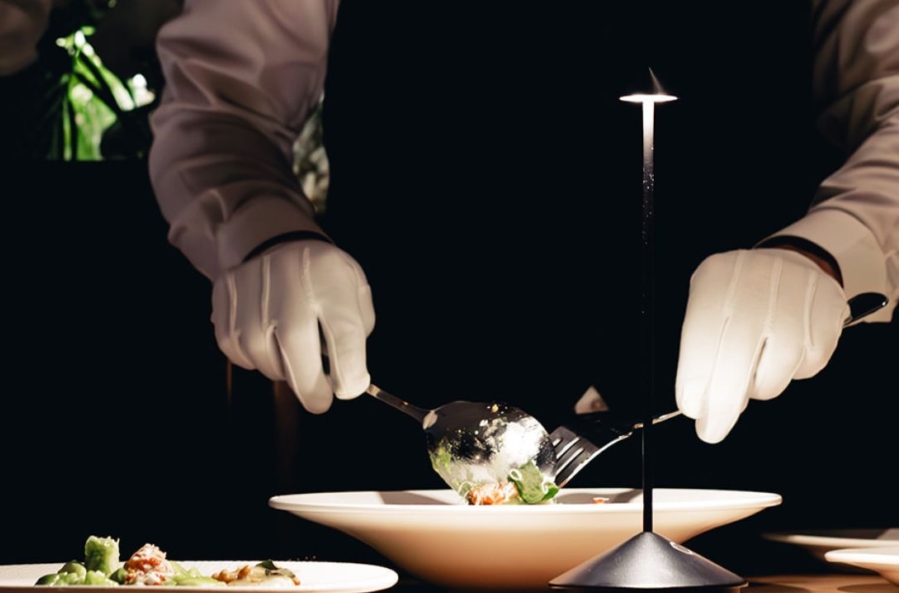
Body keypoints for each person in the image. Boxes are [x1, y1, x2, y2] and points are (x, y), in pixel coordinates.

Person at [148, 0, 895, 454]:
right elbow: (219, 110)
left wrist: (826, 252)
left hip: (772, 489)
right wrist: (264, 232)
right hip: (396, 477)